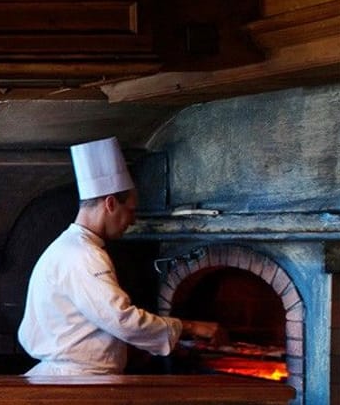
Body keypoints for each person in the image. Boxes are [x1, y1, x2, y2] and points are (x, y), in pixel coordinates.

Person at [18, 137, 223, 376]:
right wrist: (191, 327)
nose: (133, 220)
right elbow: (121, 319)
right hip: (79, 382)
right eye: (131, 211)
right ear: (110, 204)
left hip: (76, 377)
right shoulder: (83, 255)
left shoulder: (71, 247)